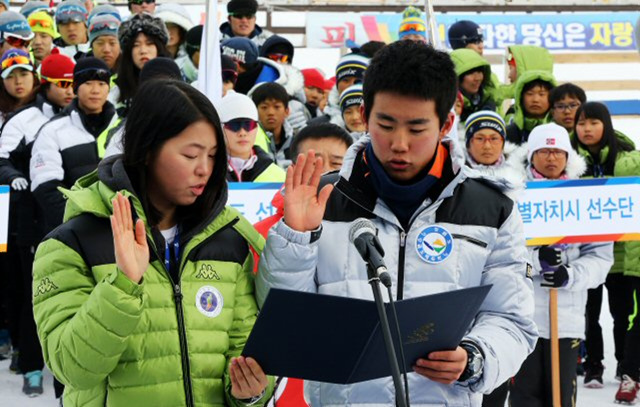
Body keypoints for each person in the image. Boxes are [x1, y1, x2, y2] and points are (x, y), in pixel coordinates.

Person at [256, 39, 537, 407]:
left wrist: (474, 357)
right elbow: (285, 320)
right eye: (385, 125)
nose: (399, 144)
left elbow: (511, 319)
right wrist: (296, 237)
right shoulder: (322, 199)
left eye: (417, 128)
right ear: (364, 115)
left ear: (446, 123)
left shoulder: (490, 210)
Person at [31, 78, 273, 406]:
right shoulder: (72, 244)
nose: (205, 169)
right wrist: (122, 286)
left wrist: (250, 393)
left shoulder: (229, 240)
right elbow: (72, 369)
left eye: (214, 156)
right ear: (146, 151)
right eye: (190, 155)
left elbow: (244, 350)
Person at [509, 123, 613, 407]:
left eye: (557, 151)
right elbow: (501, 254)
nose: (551, 158)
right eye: (544, 151)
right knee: (524, 397)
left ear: (568, 156)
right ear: (531, 155)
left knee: (561, 397)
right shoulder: (514, 197)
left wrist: (569, 274)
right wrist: (536, 260)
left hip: (565, 319)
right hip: (522, 317)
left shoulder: (585, 198)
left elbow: (601, 257)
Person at [571, 102, 639, 397]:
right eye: (581, 123)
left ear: (606, 125)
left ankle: (626, 365)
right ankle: (593, 363)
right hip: (585, 251)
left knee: (622, 312)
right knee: (588, 312)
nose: (587, 129)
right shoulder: (569, 159)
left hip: (624, 253)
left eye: (594, 123)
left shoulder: (629, 158)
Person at [30, 57, 117, 232]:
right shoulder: (53, 130)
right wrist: (76, 223)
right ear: (76, 87)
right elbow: (45, 185)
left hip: (121, 227)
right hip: (73, 229)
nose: (95, 90)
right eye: (88, 83)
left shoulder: (123, 127)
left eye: (101, 84)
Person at [0, 47, 43, 396]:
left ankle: (20, 346)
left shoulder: (41, 114)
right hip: (4, 207)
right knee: (8, 279)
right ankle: (13, 340)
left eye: (23, 75)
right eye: (11, 76)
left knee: (19, 276)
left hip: (22, 212)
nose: (18, 82)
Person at [103, 56, 183, 159]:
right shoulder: (123, 134)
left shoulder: (192, 125)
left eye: (168, 85)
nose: (162, 92)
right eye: (153, 86)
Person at [219, 91, 285, 183]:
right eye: (234, 125)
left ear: (257, 127)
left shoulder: (279, 176)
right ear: (220, 128)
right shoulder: (207, 172)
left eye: (248, 125)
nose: (242, 133)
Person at [114, 12, 169, 115]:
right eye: (136, 45)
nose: (143, 50)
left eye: (149, 44)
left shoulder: (177, 86)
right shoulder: (117, 92)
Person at [463, 110, 526, 199]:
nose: (487, 146)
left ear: (503, 143)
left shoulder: (521, 173)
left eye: (494, 138)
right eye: (480, 138)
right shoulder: (455, 174)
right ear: (468, 143)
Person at [314, 52, 369, 128]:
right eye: (346, 80)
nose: (351, 85)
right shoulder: (316, 125)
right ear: (337, 85)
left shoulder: (380, 121)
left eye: (358, 81)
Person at [505, 70, 557, 145]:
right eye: (530, 94)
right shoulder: (509, 133)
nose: (535, 99)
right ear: (520, 97)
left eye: (542, 94)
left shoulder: (559, 131)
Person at [251, 82, 293, 168]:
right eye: (264, 107)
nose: (270, 112)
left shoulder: (296, 142)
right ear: (255, 111)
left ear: (287, 111)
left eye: (277, 107)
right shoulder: (249, 142)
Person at [450, 48, 499, 121]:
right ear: (457, 77)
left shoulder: (489, 102)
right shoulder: (447, 108)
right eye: (471, 73)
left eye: (480, 71)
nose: (477, 78)